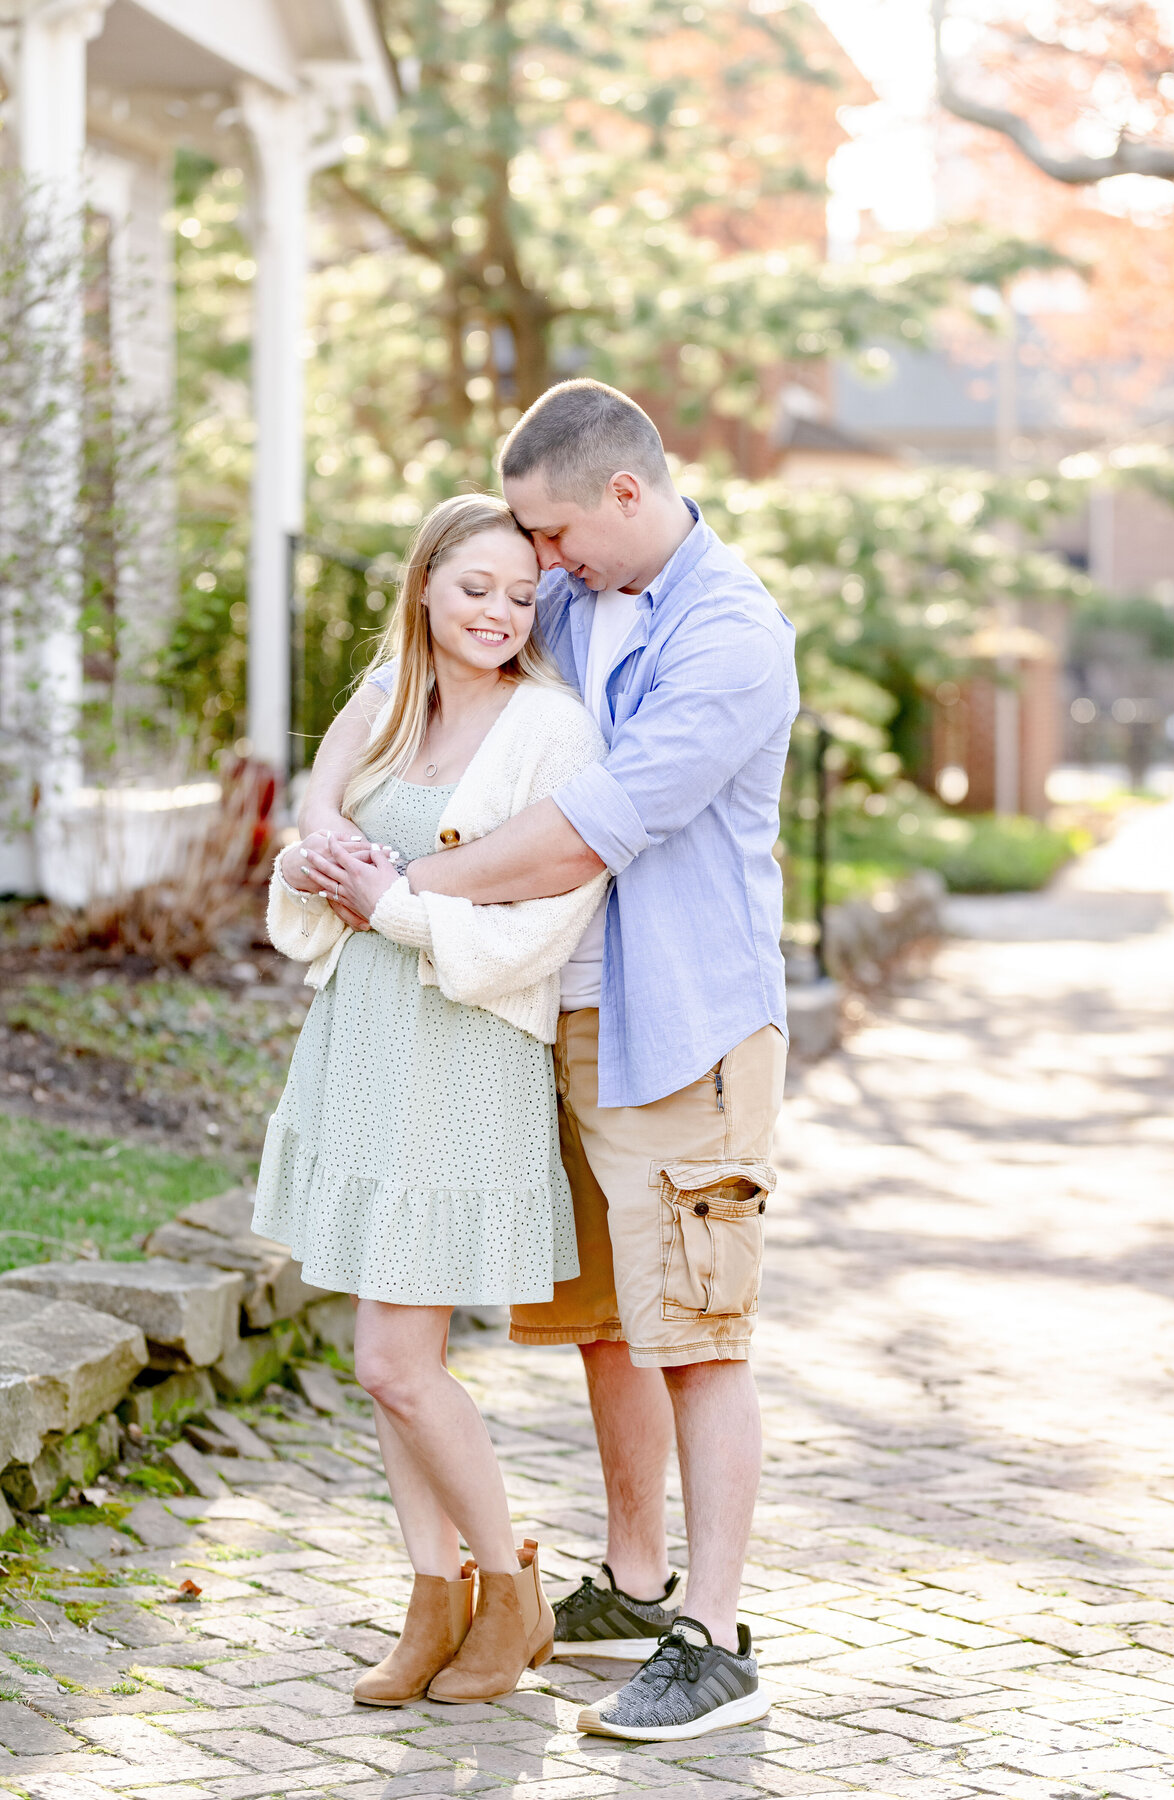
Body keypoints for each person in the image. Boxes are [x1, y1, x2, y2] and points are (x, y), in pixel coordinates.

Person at [302, 380, 799, 1743]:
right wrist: (320, 815)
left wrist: (402, 878)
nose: (544, 565)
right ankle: (634, 1588)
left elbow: (587, 830)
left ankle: (713, 1632)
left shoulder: (732, 638)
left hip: (682, 1027)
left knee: (699, 1334)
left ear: (627, 497)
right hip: (553, 1024)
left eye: (558, 533)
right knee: (601, 1328)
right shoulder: (578, 598)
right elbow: (433, 673)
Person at [257, 493, 608, 1708]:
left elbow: (550, 915)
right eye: (476, 590)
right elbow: (312, 848)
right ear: (422, 588)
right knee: (388, 1362)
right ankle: (434, 1597)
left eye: (522, 596)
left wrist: (390, 907)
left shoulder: (552, 729)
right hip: (363, 1040)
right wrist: (311, 865)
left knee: (398, 1360)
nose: (502, 614)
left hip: (461, 1053)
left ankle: (512, 1596)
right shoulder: (387, 706)